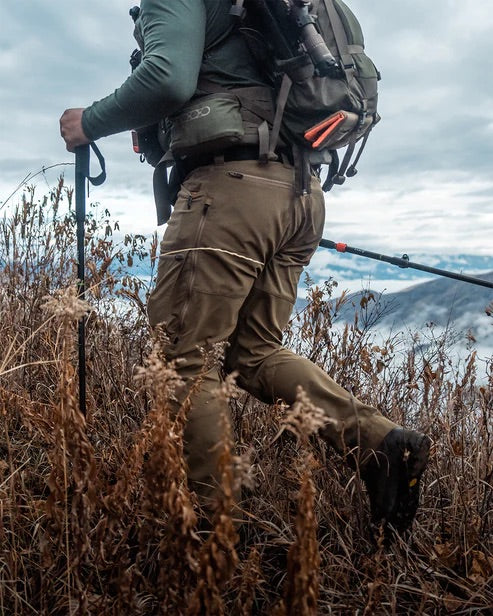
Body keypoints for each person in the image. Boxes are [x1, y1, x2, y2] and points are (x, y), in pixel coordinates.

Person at [60, 0, 430, 534]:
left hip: (230, 191)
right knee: (252, 353)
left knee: (183, 362)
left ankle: (211, 538)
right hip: (300, 196)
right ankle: (381, 443)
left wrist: (89, 122)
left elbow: (167, 78)